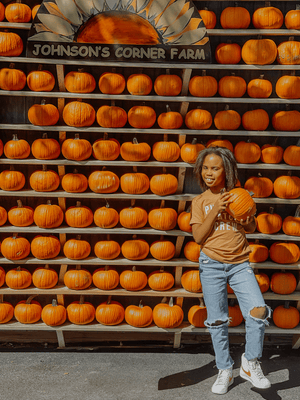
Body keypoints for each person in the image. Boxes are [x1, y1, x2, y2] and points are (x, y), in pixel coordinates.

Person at [190, 146, 272, 395]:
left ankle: (250, 362)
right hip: (211, 264)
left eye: (215, 168)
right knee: (217, 321)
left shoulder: (239, 195)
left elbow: (250, 226)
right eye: (205, 168)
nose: (209, 173)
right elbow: (197, 237)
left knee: (258, 311)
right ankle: (224, 369)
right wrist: (215, 209)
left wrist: (245, 219)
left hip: (239, 264)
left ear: (226, 170)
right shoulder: (200, 201)